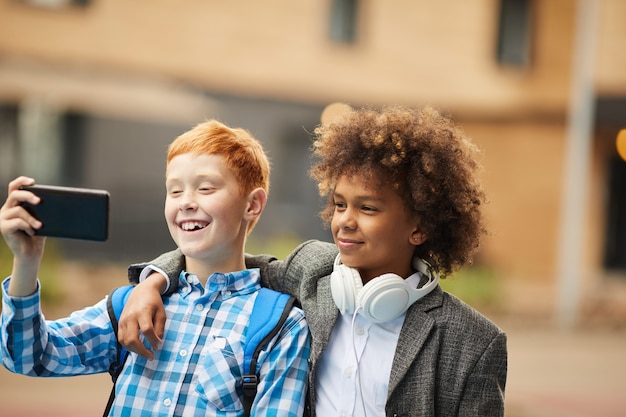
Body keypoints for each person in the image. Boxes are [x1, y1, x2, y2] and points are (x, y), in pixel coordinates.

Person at [119, 105, 508, 417]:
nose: (344, 221)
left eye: (367, 208)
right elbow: (220, 257)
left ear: (419, 228)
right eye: (339, 204)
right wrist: (152, 282)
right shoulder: (313, 270)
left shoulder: (472, 342)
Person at [0, 120, 311, 417]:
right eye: (174, 191)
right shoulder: (131, 306)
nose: (186, 202)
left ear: (252, 204)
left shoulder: (281, 327)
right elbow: (28, 357)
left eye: (205, 189)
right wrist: (26, 262)